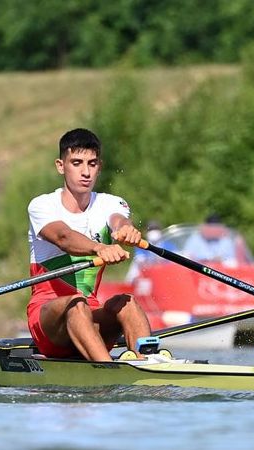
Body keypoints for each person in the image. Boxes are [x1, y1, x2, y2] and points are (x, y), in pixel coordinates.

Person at [27, 128, 152, 361]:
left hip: (91, 318)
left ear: (99, 166)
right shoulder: (42, 205)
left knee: (127, 302)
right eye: (77, 163)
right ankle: (106, 371)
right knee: (77, 304)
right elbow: (63, 237)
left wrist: (125, 230)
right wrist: (100, 248)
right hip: (49, 321)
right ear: (60, 166)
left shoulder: (110, 203)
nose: (85, 172)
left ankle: (150, 364)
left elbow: (118, 220)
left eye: (92, 164)